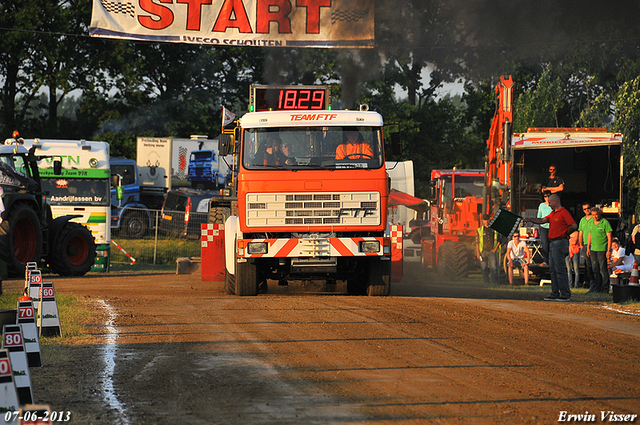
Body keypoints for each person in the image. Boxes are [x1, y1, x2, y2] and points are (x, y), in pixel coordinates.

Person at [524, 194, 577, 301]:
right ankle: (555, 293)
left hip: (559, 242)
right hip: (553, 243)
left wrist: (565, 234)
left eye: (550, 202)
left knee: (559, 269)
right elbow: (542, 220)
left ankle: (565, 294)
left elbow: (574, 226)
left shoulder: (563, 213)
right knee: (553, 269)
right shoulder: (553, 214)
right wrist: (530, 219)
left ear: (555, 202)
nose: (549, 205)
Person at [586, 206, 612, 294]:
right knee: (595, 269)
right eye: (593, 215)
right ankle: (597, 287)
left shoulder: (605, 223)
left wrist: (608, 250)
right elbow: (589, 235)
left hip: (602, 249)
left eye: (596, 215)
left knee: (602, 269)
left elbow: (609, 236)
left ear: (599, 214)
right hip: (593, 249)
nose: (594, 217)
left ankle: (605, 288)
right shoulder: (591, 223)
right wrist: (588, 247)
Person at [475, 214, 500, 285]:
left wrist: (495, 249)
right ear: (482, 220)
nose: (486, 221)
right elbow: (477, 242)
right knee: (484, 268)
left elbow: (498, 240)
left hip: (492, 251)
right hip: (483, 251)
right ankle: (486, 282)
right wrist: (478, 253)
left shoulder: (494, 230)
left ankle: (494, 283)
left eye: (487, 219)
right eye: (484, 220)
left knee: (494, 268)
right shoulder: (479, 230)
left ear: (489, 220)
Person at [577, 202, 594, 289]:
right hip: (585, 244)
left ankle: (593, 282)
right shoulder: (582, 220)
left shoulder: (594, 219)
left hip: (593, 244)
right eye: (584, 209)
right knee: (587, 264)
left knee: (593, 264)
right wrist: (581, 244)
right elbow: (580, 233)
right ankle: (587, 282)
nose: (587, 210)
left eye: (588, 208)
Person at [537, 192, 552, 264]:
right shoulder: (541, 205)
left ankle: (552, 260)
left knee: (552, 243)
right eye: (545, 196)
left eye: (548, 196)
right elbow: (539, 216)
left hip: (552, 226)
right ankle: (545, 260)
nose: (547, 198)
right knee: (544, 243)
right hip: (543, 226)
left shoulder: (553, 204)